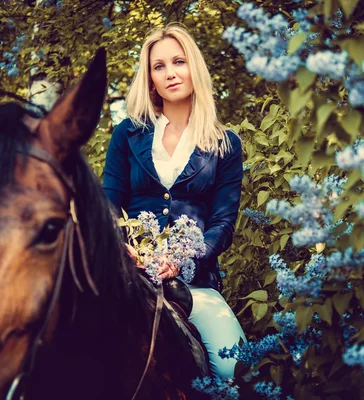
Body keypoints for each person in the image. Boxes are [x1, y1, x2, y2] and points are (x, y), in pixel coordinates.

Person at [102, 24, 246, 379]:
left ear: (193, 67)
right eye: (159, 66)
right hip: (126, 276)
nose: (170, 73)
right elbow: (107, 203)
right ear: (150, 78)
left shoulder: (225, 144)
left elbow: (223, 224)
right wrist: (122, 249)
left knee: (236, 369)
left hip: (194, 285)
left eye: (178, 62)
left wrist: (183, 260)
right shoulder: (127, 133)